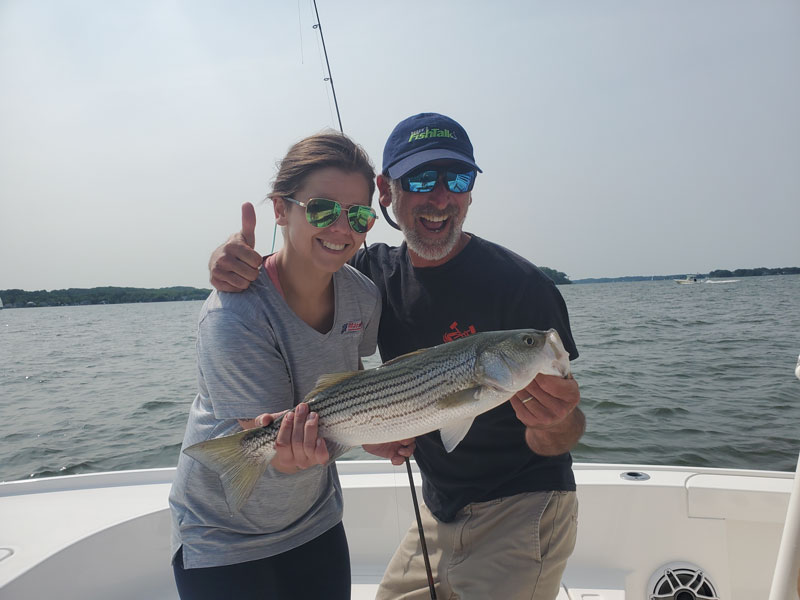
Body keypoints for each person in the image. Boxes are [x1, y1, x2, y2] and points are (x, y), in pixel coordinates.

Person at [208, 113, 585, 600]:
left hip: (523, 504)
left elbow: (569, 433)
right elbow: (307, 264)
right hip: (437, 507)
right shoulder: (369, 275)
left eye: (459, 179)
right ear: (385, 193)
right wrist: (231, 259)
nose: (441, 197)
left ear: (471, 192)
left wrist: (554, 420)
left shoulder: (523, 287)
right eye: (422, 179)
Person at [169, 131, 413, 600]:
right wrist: (303, 445)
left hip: (315, 519)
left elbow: (348, 379)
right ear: (281, 210)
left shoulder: (363, 295)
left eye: (359, 215)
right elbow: (269, 441)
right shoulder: (234, 313)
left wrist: (374, 428)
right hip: (223, 535)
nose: (342, 228)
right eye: (321, 209)